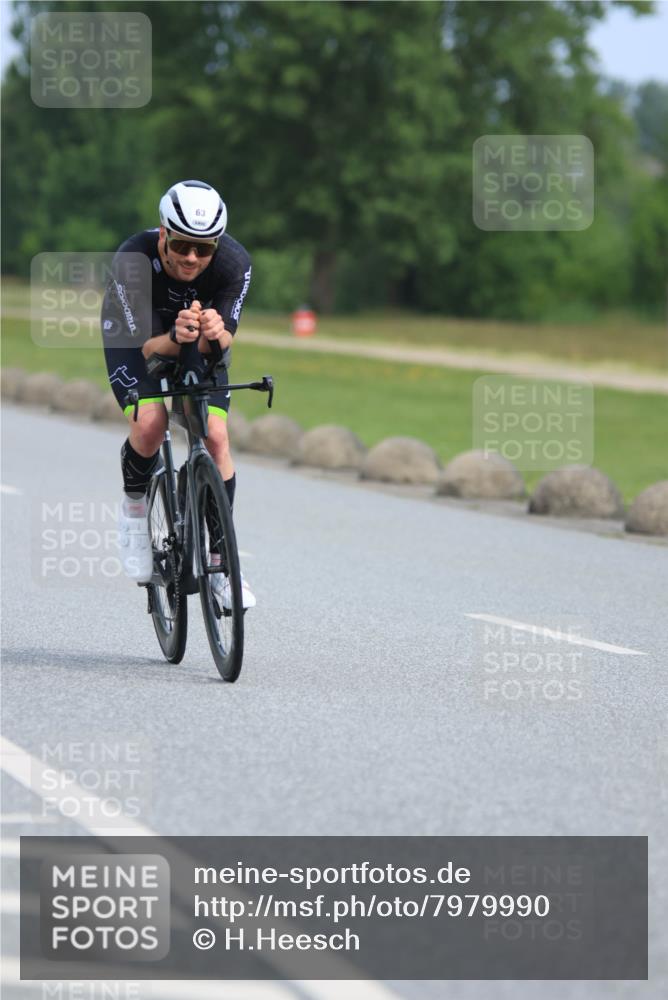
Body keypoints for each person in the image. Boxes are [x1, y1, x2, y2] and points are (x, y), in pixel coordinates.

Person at [101, 179, 255, 608]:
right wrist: (178, 333)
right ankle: (134, 513)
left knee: (215, 435)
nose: (191, 258)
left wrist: (212, 335)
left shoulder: (234, 264)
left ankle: (222, 566)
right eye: (183, 245)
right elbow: (149, 348)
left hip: (194, 341)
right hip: (137, 335)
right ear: (163, 233)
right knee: (150, 424)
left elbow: (223, 342)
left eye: (203, 249)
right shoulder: (134, 258)